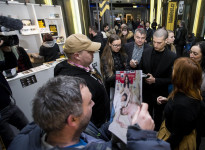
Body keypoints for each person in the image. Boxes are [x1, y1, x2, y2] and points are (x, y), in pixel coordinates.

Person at [8, 76, 170, 150]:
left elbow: (95, 134)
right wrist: (142, 136)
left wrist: (118, 118)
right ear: (72, 119)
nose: (93, 103)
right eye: (89, 102)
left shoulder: (53, 122)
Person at [54, 34, 110, 128]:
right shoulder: (73, 81)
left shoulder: (86, 66)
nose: (94, 52)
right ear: (77, 55)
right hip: (96, 126)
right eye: (89, 51)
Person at [157, 57, 202, 150]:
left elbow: (176, 137)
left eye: (174, 69)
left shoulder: (183, 105)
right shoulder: (190, 90)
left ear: (181, 76)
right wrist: (168, 100)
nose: (172, 72)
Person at [141, 28, 176, 131]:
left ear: (166, 41)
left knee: (158, 118)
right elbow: (141, 68)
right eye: (154, 42)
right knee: (145, 116)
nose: (156, 45)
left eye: (159, 43)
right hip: (146, 92)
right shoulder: (146, 52)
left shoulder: (172, 57)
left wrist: (155, 80)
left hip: (160, 93)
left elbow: (172, 79)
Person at [0, 40, 28, 148]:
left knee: (29, 128)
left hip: (9, 104)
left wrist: (7, 51)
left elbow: (11, 64)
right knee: (11, 141)